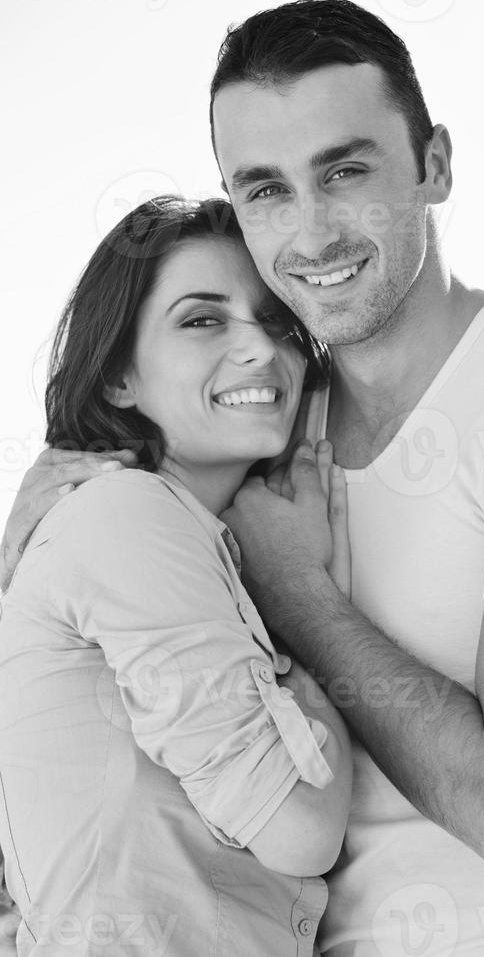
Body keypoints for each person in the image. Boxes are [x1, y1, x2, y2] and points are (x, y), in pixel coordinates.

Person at [3, 0, 484, 956]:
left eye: (345, 171)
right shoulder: (268, 430)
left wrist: (299, 593)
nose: (310, 233)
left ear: (434, 165)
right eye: (264, 188)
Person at [0, 194, 353, 957]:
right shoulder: (127, 517)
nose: (262, 349)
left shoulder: (174, 536)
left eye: (278, 319)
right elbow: (301, 827)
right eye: (202, 319)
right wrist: (299, 590)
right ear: (120, 377)